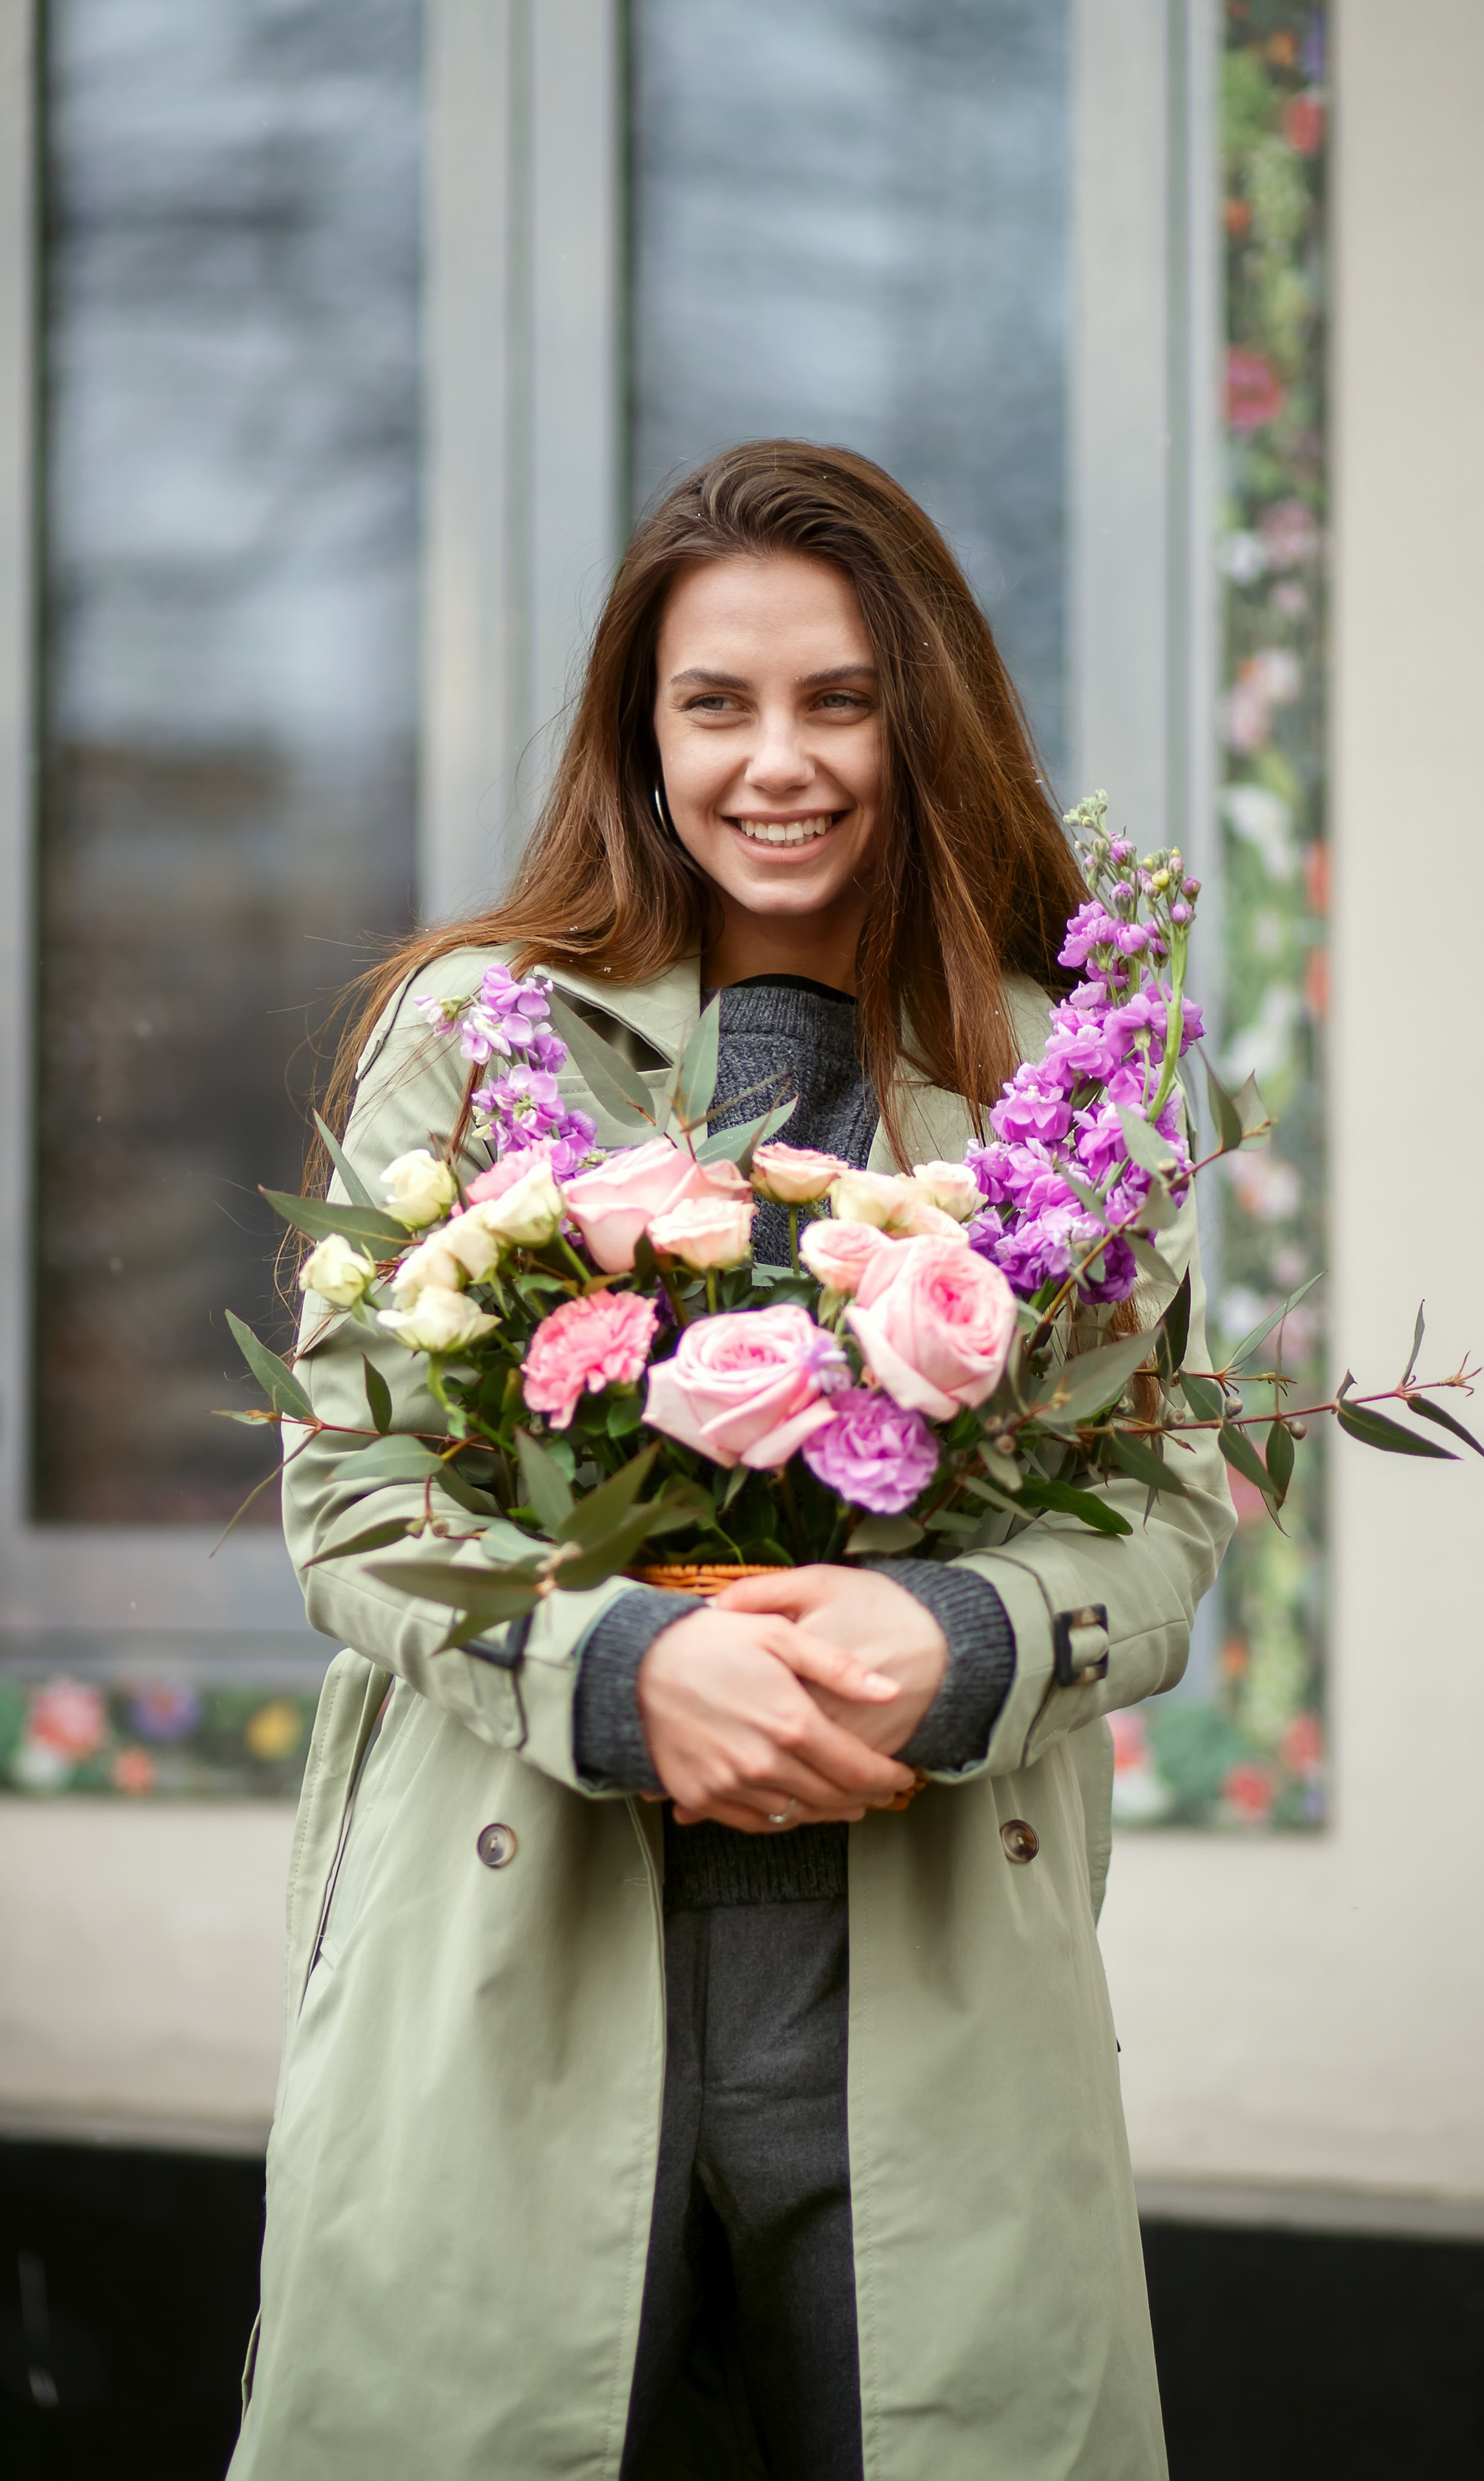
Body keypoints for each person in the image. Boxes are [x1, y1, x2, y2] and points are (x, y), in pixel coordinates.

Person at [229, 442, 1232, 2481]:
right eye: (717, 703)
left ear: (922, 712)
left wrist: (958, 1635)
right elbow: (350, 1491)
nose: (779, 762)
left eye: (839, 698)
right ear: (642, 730)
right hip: (507, 1960)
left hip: (926, 1991)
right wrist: (620, 1670)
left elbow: (1161, 1516)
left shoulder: (1075, 1069)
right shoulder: (473, 1030)